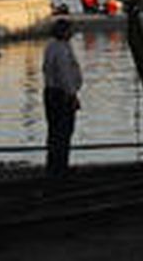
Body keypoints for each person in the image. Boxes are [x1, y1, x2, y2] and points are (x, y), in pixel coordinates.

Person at [42, 16, 83, 175]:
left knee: (54, 131)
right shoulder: (61, 49)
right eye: (69, 30)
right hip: (61, 95)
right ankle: (61, 167)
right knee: (64, 131)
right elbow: (64, 73)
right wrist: (72, 95)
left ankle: (54, 165)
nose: (72, 33)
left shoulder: (50, 46)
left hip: (51, 93)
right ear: (64, 32)